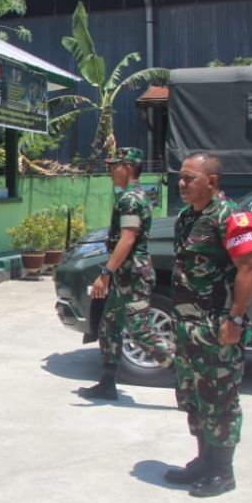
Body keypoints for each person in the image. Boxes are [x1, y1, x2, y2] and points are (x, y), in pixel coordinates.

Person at [165, 152, 252, 497]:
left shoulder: (232, 218)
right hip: (188, 326)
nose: (182, 183)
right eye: (181, 177)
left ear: (212, 181)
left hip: (216, 324)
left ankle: (222, 471)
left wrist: (234, 318)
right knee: (194, 396)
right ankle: (204, 461)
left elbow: (249, 268)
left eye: (190, 178)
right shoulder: (188, 218)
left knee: (220, 399)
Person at [78, 147, 172, 400]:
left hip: (132, 275)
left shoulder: (130, 199)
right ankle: (108, 383)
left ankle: (188, 379)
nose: (110, 170)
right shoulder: (131, 195)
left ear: (128, 167)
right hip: (125, 275)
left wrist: (106, 272)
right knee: (109, 327)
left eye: (114, 165)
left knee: (140, 330)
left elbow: (128, 239)